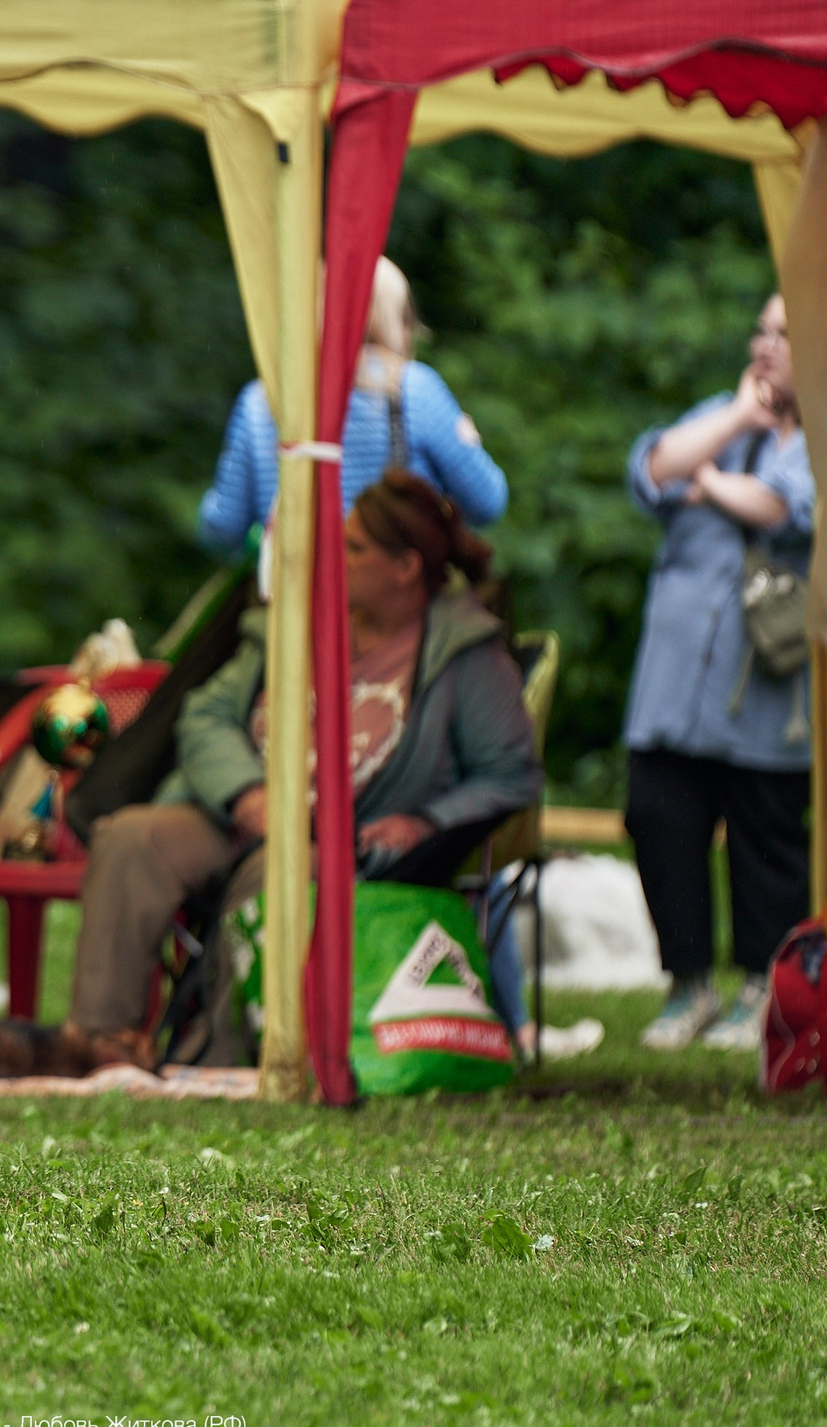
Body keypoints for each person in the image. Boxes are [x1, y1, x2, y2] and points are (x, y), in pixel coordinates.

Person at [67, 474, 542, 1061]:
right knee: (132, 839)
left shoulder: (463, 652)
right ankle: (97, 1044)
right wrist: (247, 794)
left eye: (354, 547)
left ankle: (219, 1058)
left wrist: (426, 822)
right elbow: (206, 713)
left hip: (340, 842)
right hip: (242, 812)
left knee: (280, 872)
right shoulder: (295, 620)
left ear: (405, 568)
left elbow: (510, 774)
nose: (333, 557)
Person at [623, 293, 813, 1052]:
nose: (766, 344)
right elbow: (653, 467)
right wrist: (735, 422)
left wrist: (708, 483)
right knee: (657, 816)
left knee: (766, 839)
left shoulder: (817, 436)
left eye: (786, 333)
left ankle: (762, 989)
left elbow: (785, 507)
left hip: (765, 692)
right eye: (761, 330)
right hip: (674, 682)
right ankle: (688, 985)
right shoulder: (719, 417)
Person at [199, 258, 508, 556]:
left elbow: (223, 528)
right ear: (392, 319)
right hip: (388, 587)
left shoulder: (261, 399)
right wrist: (469, 444)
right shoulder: (415, 389)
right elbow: (487, 503)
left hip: (297, 588)